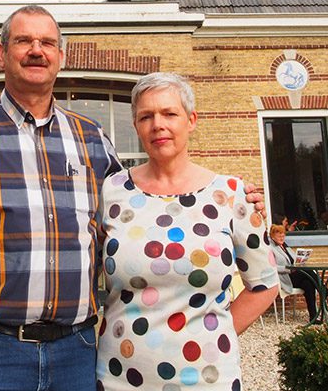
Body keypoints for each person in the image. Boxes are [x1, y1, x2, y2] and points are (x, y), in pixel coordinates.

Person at [0, 7, 267, 391]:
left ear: (62, 56)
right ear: (1, 52)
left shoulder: (91, 139)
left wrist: (235, 203)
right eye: (24, 41)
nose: (36, 50)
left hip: (78, 353)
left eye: (48, 42)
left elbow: (147, 211)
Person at [96, 73, 279, 391]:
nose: (158, 125)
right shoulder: (110, 192)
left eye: (169, 113)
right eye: (146, 116)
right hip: (119, 376)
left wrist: (214, 331)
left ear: (191, 120)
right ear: (136, 126)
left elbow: (264, 285)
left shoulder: (232, 194)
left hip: (208, 378)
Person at [269, 224, 328, 324]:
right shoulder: (270, 248)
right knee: (309, 272)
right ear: (272, 236)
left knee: (308, 284)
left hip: (296, 275)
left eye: (283, 235)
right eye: (279, 236)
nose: (282, 238)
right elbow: (271, 268)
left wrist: (300, 261)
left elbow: (294, 260)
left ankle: (313, 317)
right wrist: (288, 269)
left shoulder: (285, 246)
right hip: (285, 278)